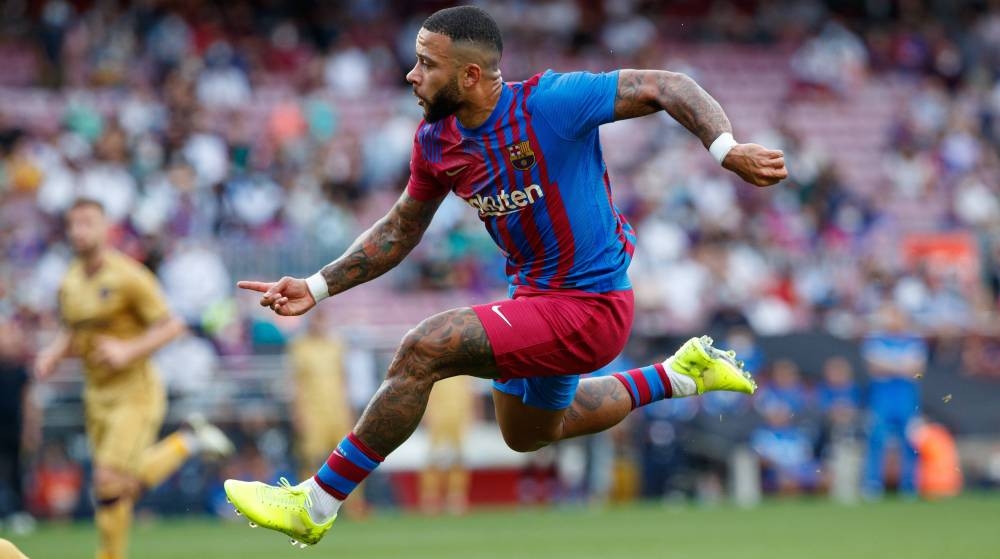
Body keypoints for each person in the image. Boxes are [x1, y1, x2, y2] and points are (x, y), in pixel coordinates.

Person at [225, 6, 785, 547]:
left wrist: (727, 150)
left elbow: (668, 85)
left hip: (592, 307)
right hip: (533, 301)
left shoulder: (552, 103)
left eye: (427, 64)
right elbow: (399, 230)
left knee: (425, 347)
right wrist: (316, 286)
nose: (411, 74)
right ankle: (677, 376)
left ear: (470, 75)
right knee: (529, 433)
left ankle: (315, 504)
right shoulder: (436, 142)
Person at [33, 198, 234, 559]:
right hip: (96, 394)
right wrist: (52, 354)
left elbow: (172, 325)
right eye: (73, 224)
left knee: (107, 479)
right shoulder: (70, 281)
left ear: (106, 228)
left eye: (87, 223)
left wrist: (128, 350)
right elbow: (73, 330)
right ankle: (186, 441)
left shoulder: (129, 276)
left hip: (134, 391)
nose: (79, 231)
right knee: (115, 487)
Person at [288, 310, 367, 518]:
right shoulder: (299, 347)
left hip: (338, 410)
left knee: (349, 457)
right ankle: (308, 505)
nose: (320, 324)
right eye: (316, 320)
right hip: (312, 412)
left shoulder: (337, 345)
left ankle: (354, 506)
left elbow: (344, 380)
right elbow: (296, 383)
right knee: (311, 459)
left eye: (322, 320)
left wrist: (350, 410)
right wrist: (297, 413)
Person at [860, 303, 926, 500]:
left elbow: (917, 370)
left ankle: (909, 485)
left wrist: (890, 366)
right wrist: (901, 367)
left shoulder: (913, 340)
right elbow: (874, 368)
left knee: (910, 439)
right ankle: (873, 483)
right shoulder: (876, 340)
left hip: (906, 395)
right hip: (882, 395)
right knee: (877, 437)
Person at [419, 375, 476, 515]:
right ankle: (431, 497)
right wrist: (427, 414)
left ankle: (456, 497)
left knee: (458, 458)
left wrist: (470, 414)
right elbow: (428, 390)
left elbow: (469, 392)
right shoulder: (437, 368)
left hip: (458, 418)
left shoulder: (464, 371)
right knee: (434, 458)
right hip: (437, 417)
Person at [0, 319, 36, 534]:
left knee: (16, 471)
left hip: (14, 428)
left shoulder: (20, 371)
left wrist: (30, 430)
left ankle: (18, 513)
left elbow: (27, 402)